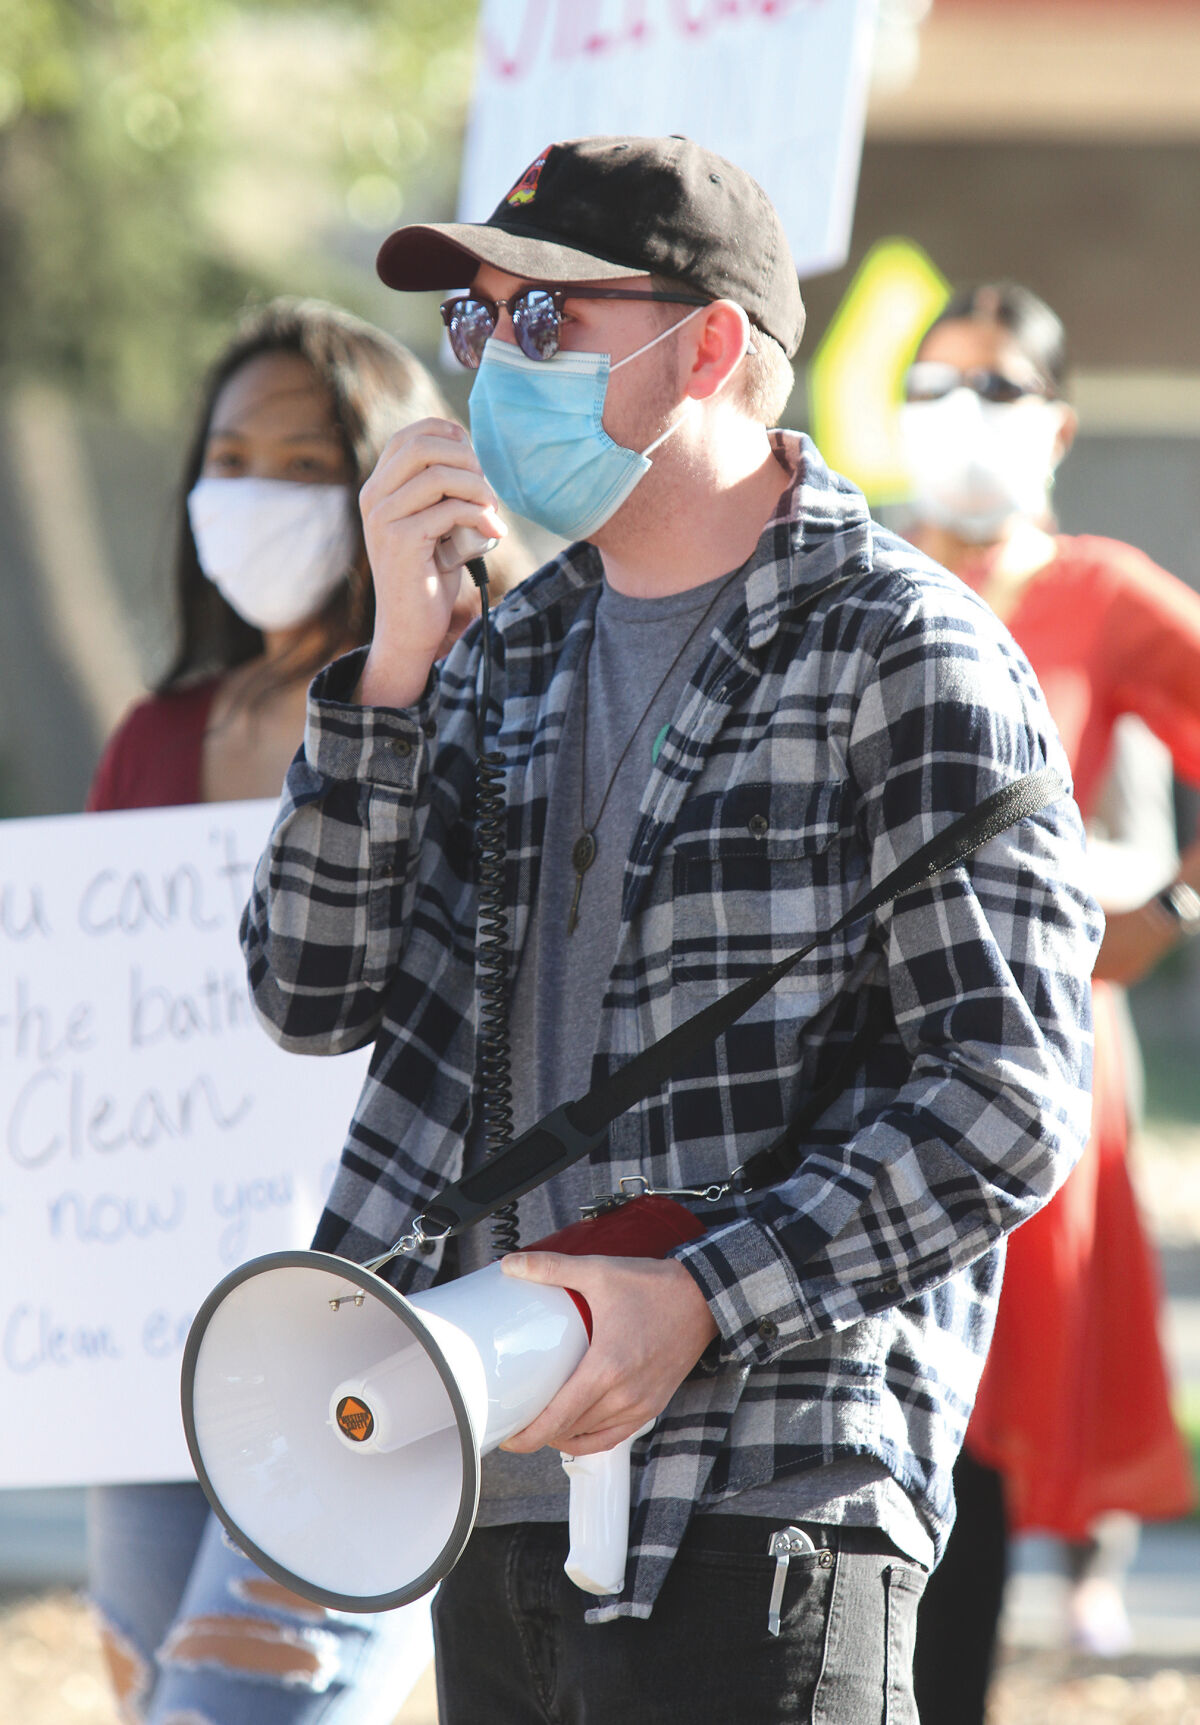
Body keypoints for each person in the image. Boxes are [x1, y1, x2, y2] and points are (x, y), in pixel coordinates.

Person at [240, 137, 1101, 1724]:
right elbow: (307, 988)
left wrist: (702, 1294)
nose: (499, 363)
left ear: (708, 344)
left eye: (548, 320)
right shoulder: (494, 654)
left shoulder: (907, 651)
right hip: (492, 1485)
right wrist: (383, 683)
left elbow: (1009, 1090)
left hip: (772, 1490)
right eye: (478, 326)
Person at [85, 295, 528, 1724]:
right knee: (161, 1685)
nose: (256, 495)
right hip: (147, 1319)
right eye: (229, 457)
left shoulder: (482, 702)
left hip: (366, 1322)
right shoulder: (155, 738)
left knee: (231, 1708)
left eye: (302, 464)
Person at [898, 281, 1200, 1723]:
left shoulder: (1102, 595)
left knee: (974, 1453)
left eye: (999, 387)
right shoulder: (840, 572)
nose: (963, 413)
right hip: (840, 1070)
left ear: (1061, 422)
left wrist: (1177, 909)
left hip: (1021, 1077)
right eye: (936, 381)